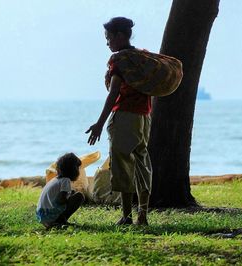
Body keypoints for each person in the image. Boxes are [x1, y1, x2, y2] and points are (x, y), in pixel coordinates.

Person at [86, 17, 152, 226]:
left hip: (124, 117)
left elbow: (114, 93)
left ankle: (126, 216)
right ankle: (142, 215)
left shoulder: (119, 60)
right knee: (143, 165)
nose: (107, 43)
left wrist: (99, 123)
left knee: (123, 166)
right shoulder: (141, 57)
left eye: (109, 38)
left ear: (120, 36)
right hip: (144, 117)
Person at [36, 152, 85, 228]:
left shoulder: (55, 180)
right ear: (73, 170)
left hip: (42, 215)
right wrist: (70, 199)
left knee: (73, 193)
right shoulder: (66, 180)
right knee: (79, 196)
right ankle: (60, 221)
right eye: (78, 168)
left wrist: (70, 194)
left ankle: (52, 223)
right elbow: (61, 199)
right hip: (49, 215)